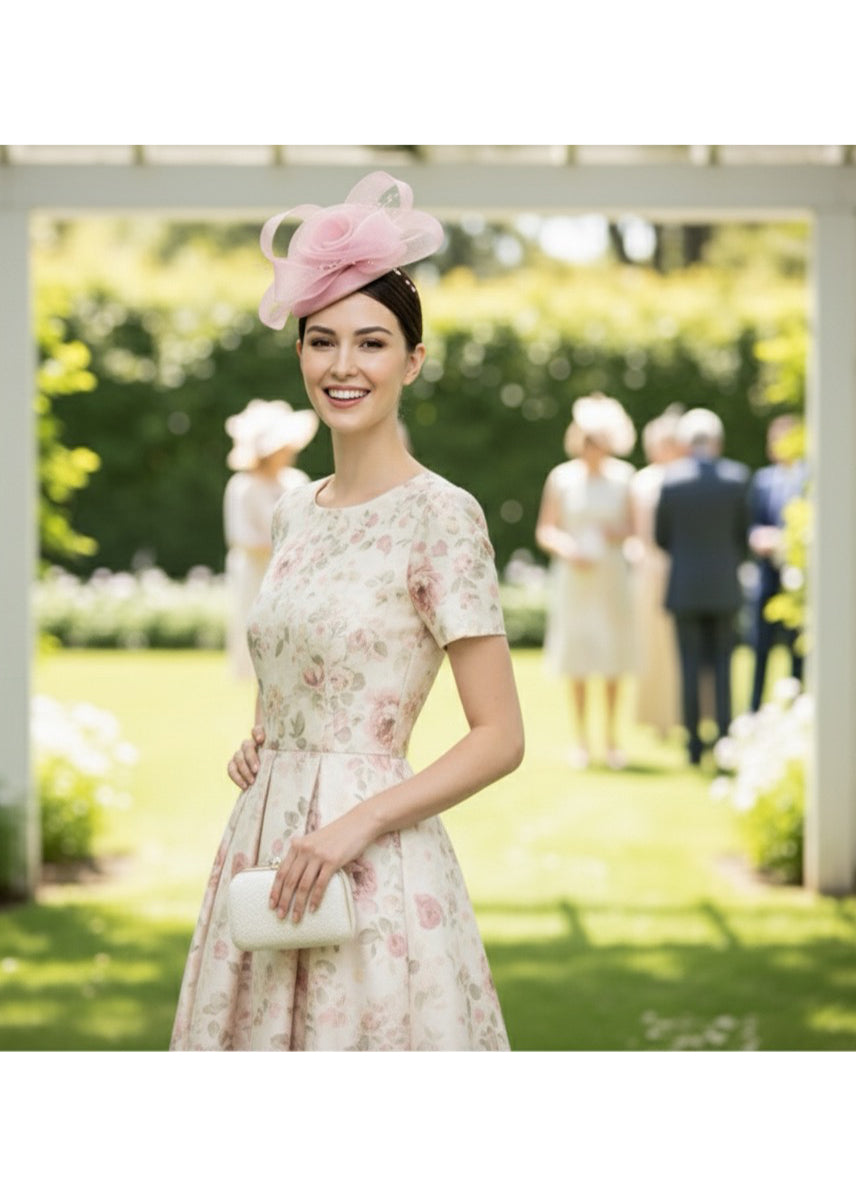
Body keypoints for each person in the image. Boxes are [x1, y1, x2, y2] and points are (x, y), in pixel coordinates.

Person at [170, 171, 525, 1051]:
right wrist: (268, 736)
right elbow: (300, 670)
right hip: (266, 846)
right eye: (322, 341)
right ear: (299, 354)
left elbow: (500, 737)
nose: (342, 366)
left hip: (375, 863)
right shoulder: (294, 511)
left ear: (412, 360)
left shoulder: (442, 514)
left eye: (371, 343)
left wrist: (354, 824)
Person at [535, 392, 637, 770]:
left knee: (612, 654)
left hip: (611, 575)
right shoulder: (561, 477)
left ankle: (611, 739)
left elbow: (635, 528)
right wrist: (567, 549)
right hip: (574, 577)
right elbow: (546, 529)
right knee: (577, 654)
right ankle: (580, 740)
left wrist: (613, 534)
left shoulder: (625, 477)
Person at [654, 408, 750, 767]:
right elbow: (742, 536)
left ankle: (693, 747)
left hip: (685, 590)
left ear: (685, 443)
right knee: (724, 668)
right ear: (717, 441)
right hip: (724, 589)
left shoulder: (671, 481)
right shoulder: (737, 479)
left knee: (689, 667)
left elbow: (661, 537)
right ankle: (724, 740)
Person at [223, 399, 318, 680]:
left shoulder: (295, 481)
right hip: (255, 571)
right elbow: (239, 535)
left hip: (293, 571)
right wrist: (279, 547)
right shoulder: (243, 486)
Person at [628, 407, 686, 740]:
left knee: (680, 645)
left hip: (681, 569)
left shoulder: (685, 477)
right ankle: (656, 718)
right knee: (651, 645)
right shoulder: (642, 480)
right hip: (649, 571)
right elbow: (634, 530)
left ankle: (683, 713)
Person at [747, 413, 806, 711]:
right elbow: (751, 522)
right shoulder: (763, 480)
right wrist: (757, 537)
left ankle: (797, 706)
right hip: (767, 573)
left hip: (798, 576)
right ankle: (755, 708)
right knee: (761, 645)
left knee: (798, 648)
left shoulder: (809, 478)